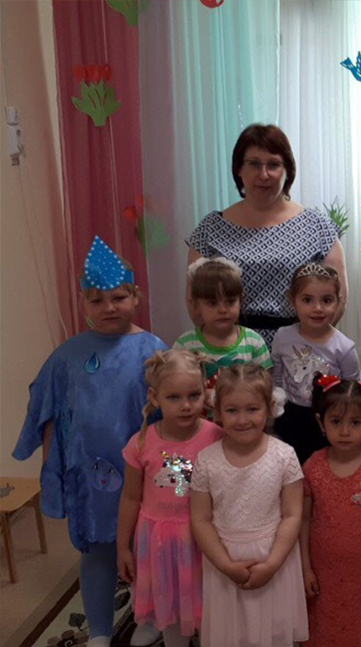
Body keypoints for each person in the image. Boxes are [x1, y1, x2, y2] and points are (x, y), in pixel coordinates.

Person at [12, 236, 167, 647]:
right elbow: (47, 411)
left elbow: (175, 414)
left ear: (135, 297)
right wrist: (54, 469)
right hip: (89, 479)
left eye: (119, 298)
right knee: (97, 550)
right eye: (97, 300)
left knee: (146, 547)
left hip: (143, 474)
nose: (109, 307)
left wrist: (177, 473)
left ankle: (149, 614)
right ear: (83, 304)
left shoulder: (154, 351)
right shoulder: (66, 357)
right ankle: (99, 631)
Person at [186, 124, 347, 346]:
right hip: (233, 352)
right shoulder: (210, 229)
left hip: (300, 351)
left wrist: (310, 346)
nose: (263, 175)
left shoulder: (318, 227)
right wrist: (224, 348)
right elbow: (195, 302)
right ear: (239, 169)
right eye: (254, 164)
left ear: (287, 171)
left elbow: (338, 298)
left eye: (273, 164)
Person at [190, 365, 307, 647]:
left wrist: (272, 564)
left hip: (273, 559)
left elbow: (292, 514)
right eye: (232, 410)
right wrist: (225, 564)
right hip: (224, 561)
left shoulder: (285, 456)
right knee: (232, 634)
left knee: (273, 631)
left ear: (269, 408)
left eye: (252, 409)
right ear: (218, 412)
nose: (242, 420)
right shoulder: (206, 460)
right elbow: (200, 519)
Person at [117, 350, 223, 647]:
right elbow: (130, 498)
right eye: (174, 397)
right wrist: (122, 547)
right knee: (171, 609)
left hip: (205, 539)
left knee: (210, 609)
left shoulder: (217, 437)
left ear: (205, 392)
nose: (186, 405)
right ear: (155, 397)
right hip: (159, 543)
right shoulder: (141, 443)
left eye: (194, 395)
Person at [300, 375, 361, 647]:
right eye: (336, 422)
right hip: (323, 574)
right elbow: (304, 520)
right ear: (321, 422)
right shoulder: (312, 467)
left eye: (355, 423)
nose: (345, 431)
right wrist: (305, 568)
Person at [272, 263, 360, 464]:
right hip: (290, 417)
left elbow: (353, 392)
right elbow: (276, 378)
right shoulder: (283, 337)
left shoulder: (344, 348)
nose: (318, 308)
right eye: (307, 300)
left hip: (329, 420)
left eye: (327, 300)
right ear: (292, 301)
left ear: (338, 301)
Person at [173, 257, 272, 406]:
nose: (223, 310)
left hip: (243, 418)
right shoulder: (185, 345)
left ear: (240, 300)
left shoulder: (254, 342)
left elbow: (266, 388)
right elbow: (177, 387)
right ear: (196, 305)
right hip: (201, 419)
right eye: (212, 303)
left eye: (230, 301)